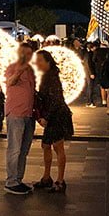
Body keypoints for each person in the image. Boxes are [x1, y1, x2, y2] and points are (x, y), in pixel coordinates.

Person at [33, 50, 73, 193]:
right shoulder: (46, 76)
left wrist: (46, 117)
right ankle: (46, 177)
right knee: (46, 145)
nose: (37, 63)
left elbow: (56, 100)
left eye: (40, 60)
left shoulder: (52, 78)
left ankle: (60, 180)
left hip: (58, 116)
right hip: (53, 115)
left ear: (48, 62)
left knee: (57, 146)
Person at [4, 40, 37, 195]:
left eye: (30, 54)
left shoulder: (31, 70)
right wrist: (19, 71)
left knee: (24, 150)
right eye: (25, 53)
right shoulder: (13, 67)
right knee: (14, 149)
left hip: (28, 114)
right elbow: (10, 82)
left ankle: (18, 179)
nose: (28, 56)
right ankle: (11, 181)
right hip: (16, 113)